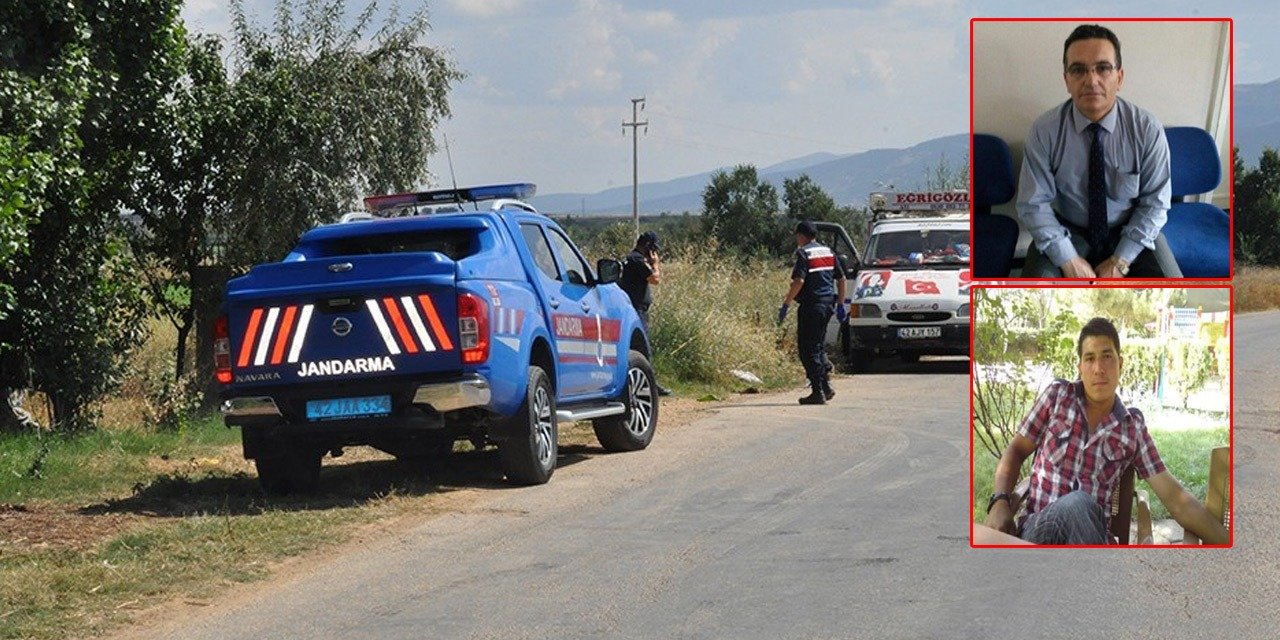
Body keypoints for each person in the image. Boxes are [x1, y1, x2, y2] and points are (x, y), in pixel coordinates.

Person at [982, 317, 1228, 544]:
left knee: (1080, 507)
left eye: (1107, 356)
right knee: (1077, 503)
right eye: (1089, 358)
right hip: (1039, 532)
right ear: (1080, 367)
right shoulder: (1057, 397)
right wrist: (999, 501)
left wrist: (1229, 544)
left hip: (1090, 537)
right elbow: (1015, 450)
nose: (1098, 368)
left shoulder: (1132, 428)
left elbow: (1177, 500)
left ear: (1120, 363)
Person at [1017, 24, 1178, 279]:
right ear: (1066, 80)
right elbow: (1033, 204)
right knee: (1035, 290)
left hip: (1131, 230)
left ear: (1120, 77)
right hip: (1066, 230)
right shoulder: (1044, 131)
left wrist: (1120, 260)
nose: (1091, 80)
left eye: (1103, 68)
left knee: (1173, 290)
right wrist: (1067, 259)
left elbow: (1155, 204)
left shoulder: (1147, 129)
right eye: (1078, 70)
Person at [778, 221, 846, 405]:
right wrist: (840, 304)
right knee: (818, 347)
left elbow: (799, 281)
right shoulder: (828, 252)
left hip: (811, 307)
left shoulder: (803, 253)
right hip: (827, 306)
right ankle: (825, 387)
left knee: (807, 350)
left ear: (801, 236)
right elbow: (841, 279)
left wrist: (786, 304)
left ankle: (817, 392)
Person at [619, 231, 671, 396]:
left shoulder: (634, 258)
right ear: (648, 246)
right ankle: (649, 385)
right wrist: (655, 264)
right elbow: (655, 279)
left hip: (637, 309)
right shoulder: (636, 259)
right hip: (636, 310)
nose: (654, 253)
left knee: (640, 347)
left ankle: (645, 383)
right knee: (643, 348)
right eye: (653, 249)